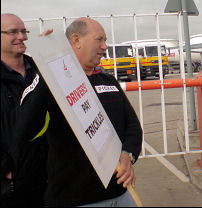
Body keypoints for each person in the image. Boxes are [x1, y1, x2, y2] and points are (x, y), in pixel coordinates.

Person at [16, 17, 143, 206]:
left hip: (120, 193)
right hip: (76, 199)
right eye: (99, 39)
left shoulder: (108, 82)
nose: (105, 46)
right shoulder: (50, 86)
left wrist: (128, 154)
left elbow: (132, 125)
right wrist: (47, 69)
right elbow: (25, 129)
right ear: (76, 40)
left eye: (105, 40)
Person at [1, 13, 49, 206]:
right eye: (13, 32)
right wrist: (5, 169)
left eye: (24, 31)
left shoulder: (41, 69)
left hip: (49, 177)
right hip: (12, 188)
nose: (22, 37)